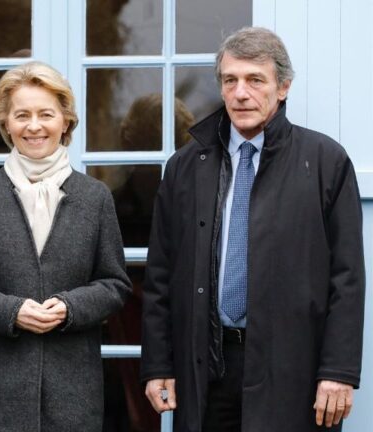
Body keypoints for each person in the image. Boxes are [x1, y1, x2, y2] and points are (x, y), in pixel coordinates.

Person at [141, 27, 365, 431]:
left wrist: (339, 371)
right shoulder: (185, 167)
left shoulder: (326, 162)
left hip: (293, 370)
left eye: (255, 80)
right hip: (205, 368)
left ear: (283, 87)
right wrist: (158, 363)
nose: (241, 93)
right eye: (230, 80)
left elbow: (347, 279)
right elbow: (160, 275)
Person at [0, 61, 132, 431]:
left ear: (66, 121)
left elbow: (115, 284)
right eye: (21, 115)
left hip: (72, 393)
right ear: (6, 124)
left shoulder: (95, 198)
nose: (34, 126)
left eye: (46, 114)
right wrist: (11, 311)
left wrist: (69, 307)